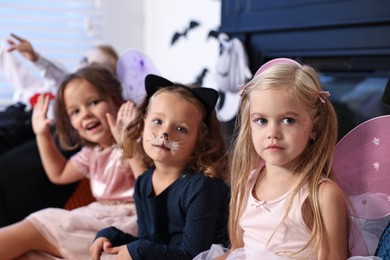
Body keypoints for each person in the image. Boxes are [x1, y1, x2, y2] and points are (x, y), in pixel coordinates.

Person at [200, 58, 349, 259]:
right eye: (261, 120)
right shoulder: (249, 182)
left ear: (315, 126)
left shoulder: (322, 195)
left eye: (288, 120)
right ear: (249, 124)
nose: (273, 133)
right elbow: (239, 250)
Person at [0, 64, 139, 259]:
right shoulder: (92, 153)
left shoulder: (139, 142)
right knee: (29, 254)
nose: (85, 114)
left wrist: (128, 142)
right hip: (96, 216)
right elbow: (58, 174)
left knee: (40, 223)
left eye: (94, 102)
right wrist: (42, 135)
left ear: (118, 100)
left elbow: (150, 186)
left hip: (124, 222)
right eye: (75, 112)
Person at [89, 74, 230, 260]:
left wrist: (137, 250)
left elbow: (193, 256)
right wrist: (112, 236)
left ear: (199, 141)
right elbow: (150, 243)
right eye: (157, 121)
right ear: (142, 125)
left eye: (181, 128)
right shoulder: (144, 183)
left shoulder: (202, 186)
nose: (165, 133)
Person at [0, 34, 120, 227]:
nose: (85, 68)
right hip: (17, 115)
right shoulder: (51, 87)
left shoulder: (98, 142)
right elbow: (21, 75)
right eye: (84, 60)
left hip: (26, 127)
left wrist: (42, 133)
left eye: (96, 67)